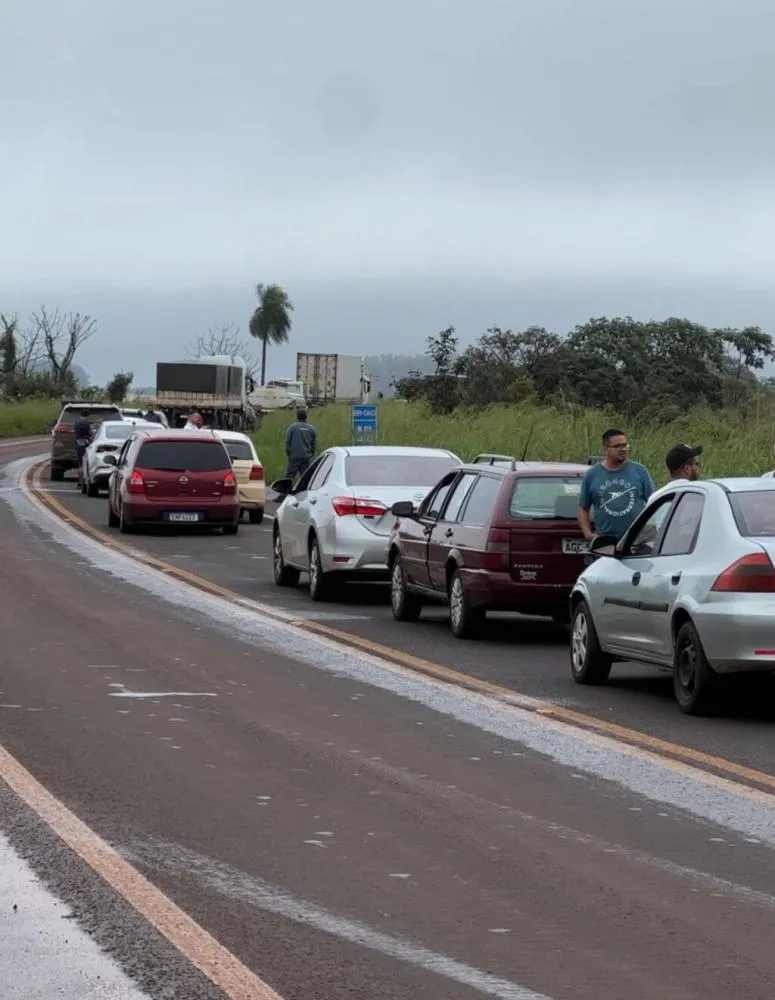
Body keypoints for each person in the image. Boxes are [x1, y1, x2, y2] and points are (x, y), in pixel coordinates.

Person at [578, 428, 655, 543]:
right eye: (617, 446)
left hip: (637, 540)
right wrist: (588, 533)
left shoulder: (639, 471)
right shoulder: (592, 474)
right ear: (605, 449)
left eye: (625, 445)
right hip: (606, 541)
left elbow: (653, 502)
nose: (623, 449)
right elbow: (583, 508)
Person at [285, 408, 317, 480]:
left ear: (297, 417)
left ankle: (287, 490)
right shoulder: (311, 429)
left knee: (289, 477)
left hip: (294, 457)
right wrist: (311, 454)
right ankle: (304, 490)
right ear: (306, 417)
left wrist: (289, 453)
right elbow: (314, 444)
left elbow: (287, 442)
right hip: (306, 457)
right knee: (305, 478)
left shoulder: (292, 427)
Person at [73, 409, 93, 488]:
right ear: (87, 416)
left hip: (78, 442)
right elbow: (90, 433)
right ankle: (84, 481)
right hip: (85, 443)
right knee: (85, 463)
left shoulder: (76, 423)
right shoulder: (87, 424)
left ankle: (79, 480)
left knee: (80, 463)